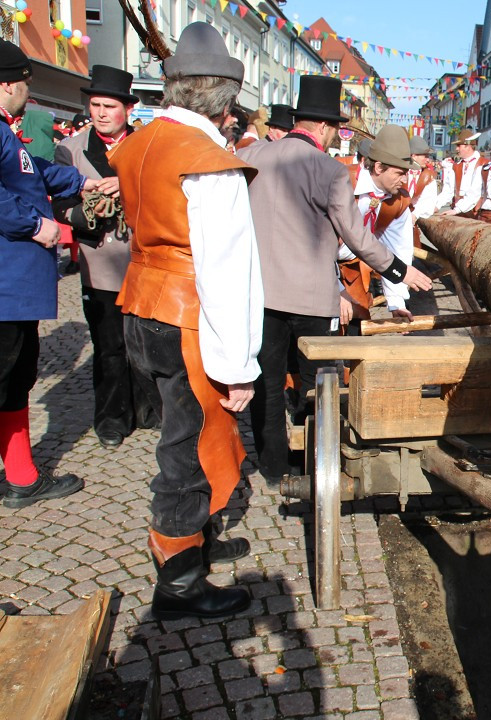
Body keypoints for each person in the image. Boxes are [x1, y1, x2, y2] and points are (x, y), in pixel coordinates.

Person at [108, 23, 261, 617]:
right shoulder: (207, 160)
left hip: (141, 301)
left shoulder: (142, 141)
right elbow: (226, 271)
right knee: (190, 444)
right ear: (224, 98)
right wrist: (238, 365)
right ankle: (178, 580)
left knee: (179, 431)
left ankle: (187, 544)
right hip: (185, 314)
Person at [238, 76, 431, 484]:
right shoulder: (329, 170)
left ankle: (272, 466)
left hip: (260, 295)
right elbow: (355, 235)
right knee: (317, 384)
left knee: (268, 382)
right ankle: (313, 461)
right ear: (324, 128)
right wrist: (399, 270)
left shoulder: (253, 155)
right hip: (311, 299)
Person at [1, 39, 114, 509]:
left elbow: (37, 172)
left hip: (16, 287)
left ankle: (22, 476)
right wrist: (37, 224)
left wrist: (84, 181)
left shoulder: (8, 132)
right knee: (5, 374)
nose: (27, 91)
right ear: (7, 85)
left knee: (17, 376)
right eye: (25, 83)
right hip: (4, 284)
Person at [52, 65, 158, 448]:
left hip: (143, 261)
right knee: (109, 345)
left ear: (127, 109)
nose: (99, 112)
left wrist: (128, 185)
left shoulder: (146, 144)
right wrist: (90, 214)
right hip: (99, 262)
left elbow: (163, 197)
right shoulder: (71, 148)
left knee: (145, 342)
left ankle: (147, 409)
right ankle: (111, 418)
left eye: (109, 106)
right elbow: (61, 205)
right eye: (95, 104)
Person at [346, 124, 419, 318]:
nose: (404, 180)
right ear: (378, 167)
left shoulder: (399, 200)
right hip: (319, 271)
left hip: (354, 271)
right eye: (400, 173)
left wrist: (396, 302)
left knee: (355, 331)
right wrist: (335, 291)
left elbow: (397, 249)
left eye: (407, 173)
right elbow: (314, 243)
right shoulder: (342, 182)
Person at [436, 130, 483, 216]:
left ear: (468, 146)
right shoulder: (456, 166)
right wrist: (436, 205)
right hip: (457, 212)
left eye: (459, 145)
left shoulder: (483, 164)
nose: (456, 149)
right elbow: (448, 191)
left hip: (476, 214)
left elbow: (475, 193)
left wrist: (457, 209)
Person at [406, 135, 438, 225]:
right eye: (425, 156)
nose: (428, 160)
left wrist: (415, 214)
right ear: (414, 156)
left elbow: (429, 202)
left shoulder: (429, 177)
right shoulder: (401, 173)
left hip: (413, 220)